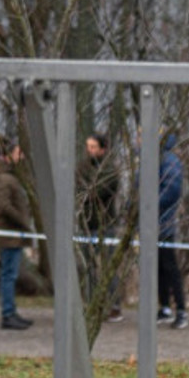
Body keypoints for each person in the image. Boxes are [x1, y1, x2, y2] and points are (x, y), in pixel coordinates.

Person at [77, 132, 121, 321]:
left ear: (103, 149)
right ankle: (90, 303)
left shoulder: (110, 171)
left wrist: (86, 190)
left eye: (94, 147)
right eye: (88, 146)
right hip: (86, 224)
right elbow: (78, 190)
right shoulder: (81, 167)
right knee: (87, 266)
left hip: (105, 224)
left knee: (108, 267)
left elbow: (96, 192)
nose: (90, 151)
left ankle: (113, 305)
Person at [0, 141, 34, 330]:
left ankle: (11, 311)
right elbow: (4, 205)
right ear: (9, 154)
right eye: (19, 153)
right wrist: (23, 222)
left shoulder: (7, 176)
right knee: (9, 274)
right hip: (9, 233)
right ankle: (8, 314)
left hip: (11, 233)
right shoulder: (4, 179)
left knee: (10, 273)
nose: (21, 157)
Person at [155, 133, 187, 329]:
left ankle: (181, 309)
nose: (138, 139)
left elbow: (172, 191)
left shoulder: (169, 161)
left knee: (170, 267)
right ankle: (165, 306)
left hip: (163, 223)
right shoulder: (150, 158)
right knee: (158, 267)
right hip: (151, 224)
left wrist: (149, 204)